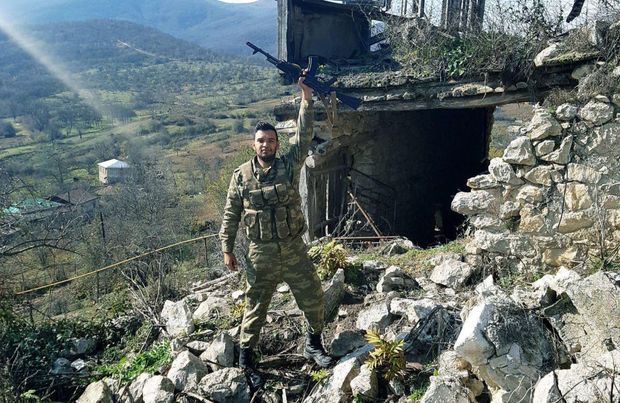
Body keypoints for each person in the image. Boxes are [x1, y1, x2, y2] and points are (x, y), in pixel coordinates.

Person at [219, 76, 332, 386]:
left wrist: (306, 100)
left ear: (276, 143)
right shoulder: (241, 176)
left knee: (312, 296)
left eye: (270, 140)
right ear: (253, 144)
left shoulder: (289, 164)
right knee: (255, 307)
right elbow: (231, 212)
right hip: (261, 254)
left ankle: (314, 344)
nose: (266, 144)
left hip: (293, 248)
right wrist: (227, 249)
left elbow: (305, 134)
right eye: (261, 140)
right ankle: (246, 359)